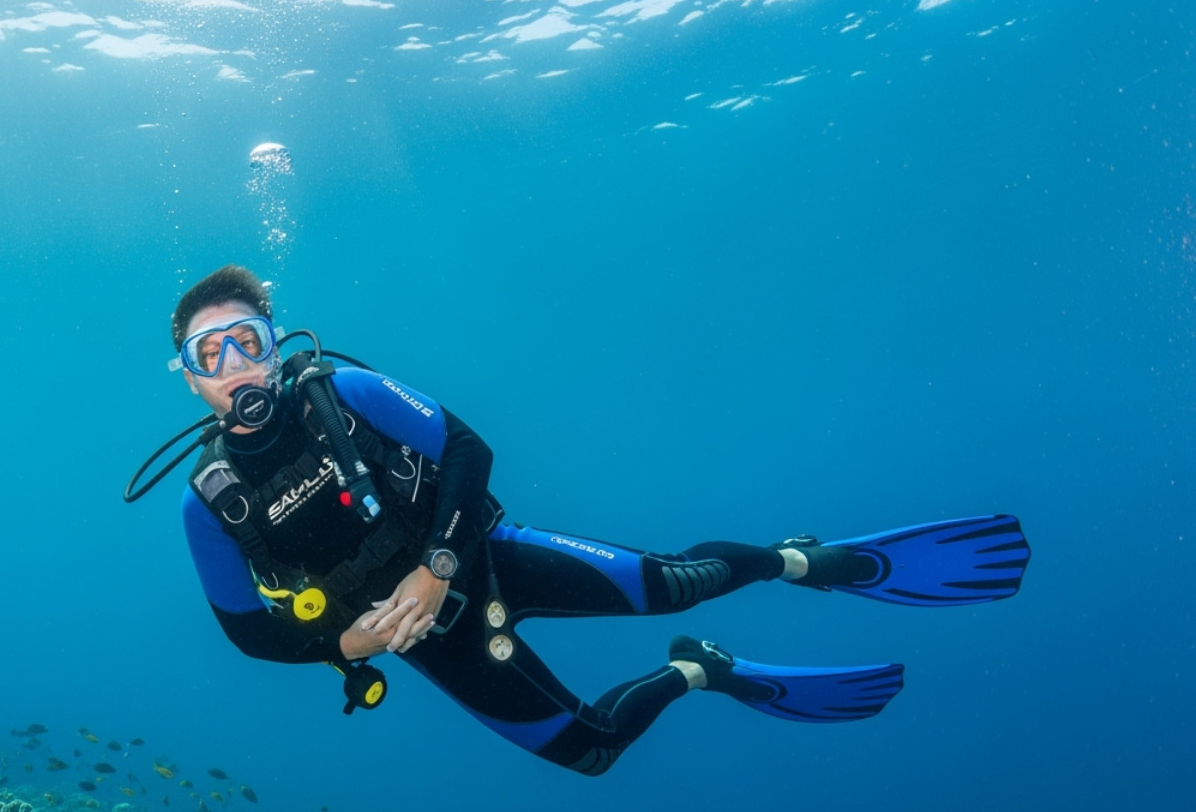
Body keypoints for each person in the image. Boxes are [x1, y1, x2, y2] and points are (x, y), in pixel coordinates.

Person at [152, 265, 1031, 776]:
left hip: (485, 559)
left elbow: (465, 450)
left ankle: (799, 563)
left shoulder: (341, 394)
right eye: (211, 354)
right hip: (425, 643)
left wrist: (440, 568)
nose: (237, 366)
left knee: (677, 586)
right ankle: (701, 675)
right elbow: (247, 637)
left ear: (276, 342)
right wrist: (350, 648)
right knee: (590, 753)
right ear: (189, 377)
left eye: (250, 341)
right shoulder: (209, 503)